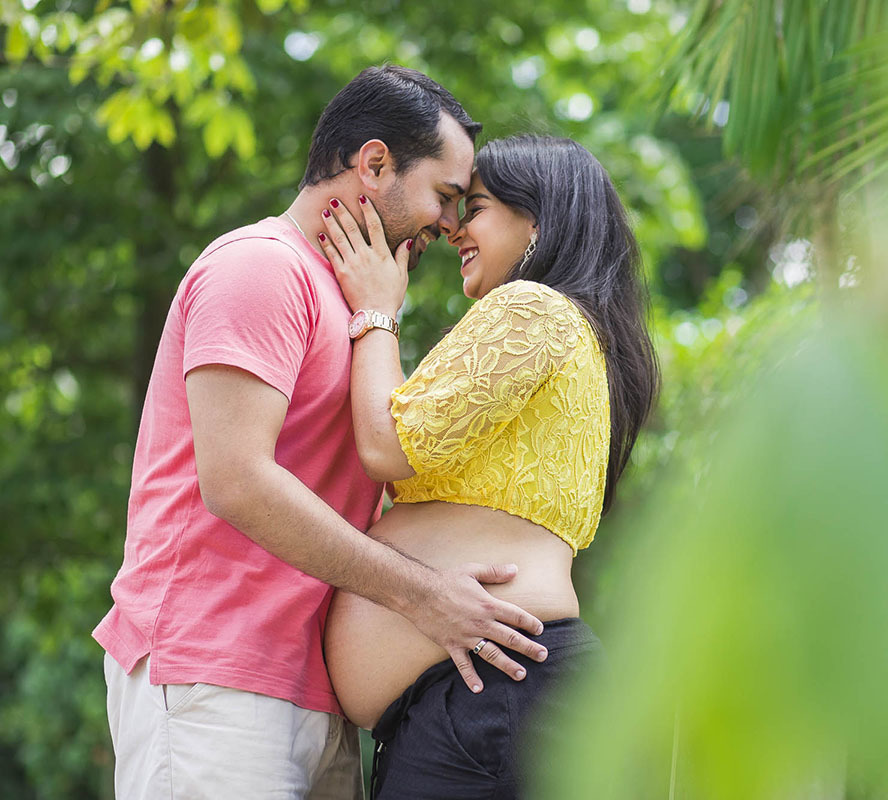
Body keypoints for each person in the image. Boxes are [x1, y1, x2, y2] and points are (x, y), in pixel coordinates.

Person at [93, 66, 549, 800]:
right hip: (217, 676)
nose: (450, 224)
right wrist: (425, 596)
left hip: (316, 695)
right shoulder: (260, 267)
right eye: (443, 196)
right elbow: (237, 480)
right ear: (373, 165)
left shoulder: (362, 312)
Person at [317, 134, 660, 798]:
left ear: (536, 220)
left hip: (493, 697)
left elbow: (387, 444)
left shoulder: (531, 307)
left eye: (473, 208)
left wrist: (376, 313)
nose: (453, 230)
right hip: (490, 699)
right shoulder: (577, 338)